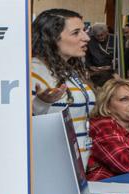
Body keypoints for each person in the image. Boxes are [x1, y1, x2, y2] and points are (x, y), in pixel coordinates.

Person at [28, 9, 95, 167]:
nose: (86, 38)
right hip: (49, 164)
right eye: (76, 33)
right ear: (51, 37)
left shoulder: (68, 70)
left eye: (84, 31)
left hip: (76, 163)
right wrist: (42, 103)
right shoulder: (30, 71)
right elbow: (20, 122)